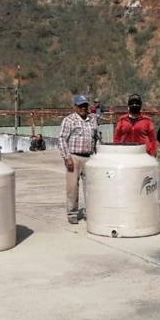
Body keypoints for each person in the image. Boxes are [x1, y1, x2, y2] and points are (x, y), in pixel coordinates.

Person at [59, 94, 99, 224]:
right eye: (80, 105)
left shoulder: (92, 120)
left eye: (85, 105)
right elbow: (62, 139)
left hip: (89, 158)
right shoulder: (69, 120)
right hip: (74, 158)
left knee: (91, 187)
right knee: (72, 188)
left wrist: (97, 156)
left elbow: (96, 138)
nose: (83, 108)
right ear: (75, 106)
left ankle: (91, 212)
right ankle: (72, 213)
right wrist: (67, 158)